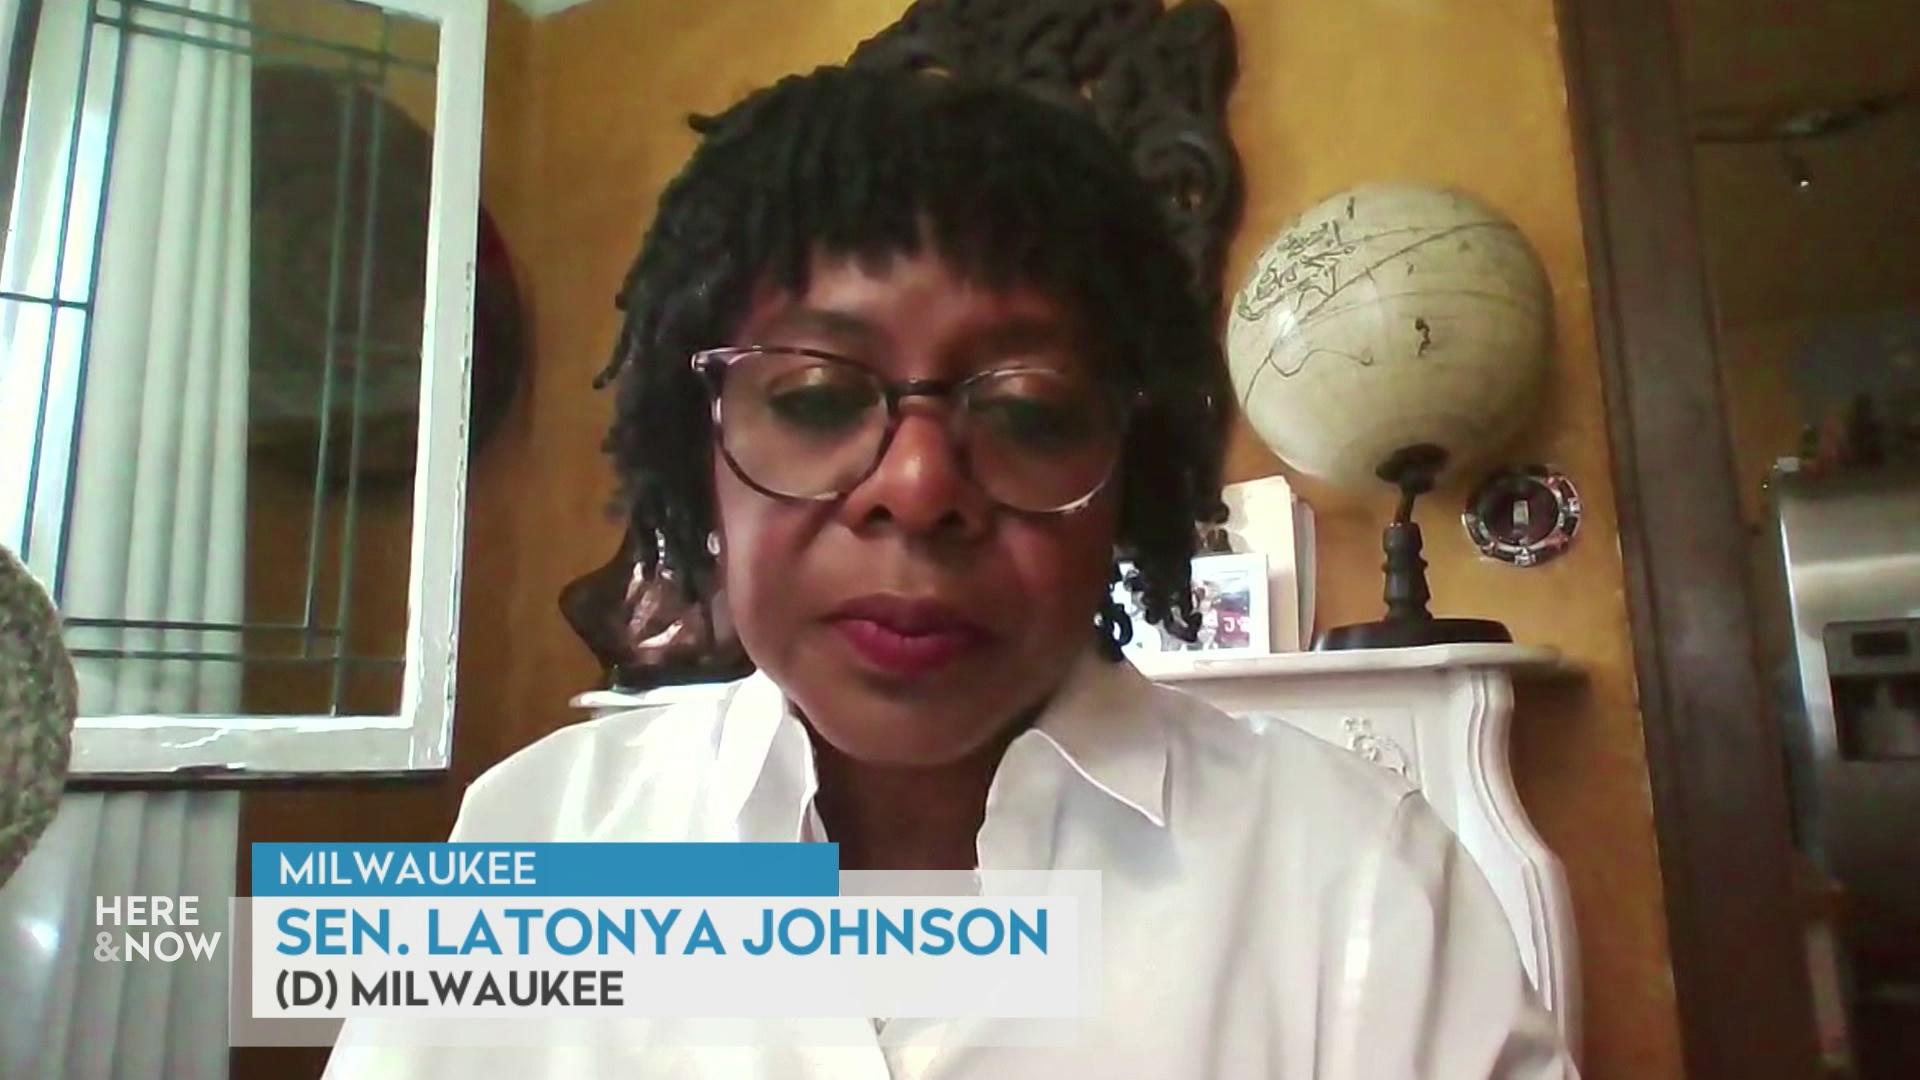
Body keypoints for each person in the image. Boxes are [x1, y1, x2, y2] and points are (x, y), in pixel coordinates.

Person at [325, 65, 1575, 1078]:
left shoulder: (1353, 880)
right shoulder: (537, 842)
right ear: (690, 449)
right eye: (815, 396)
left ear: (1130, 473)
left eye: (1028, 410)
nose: (918, 488)